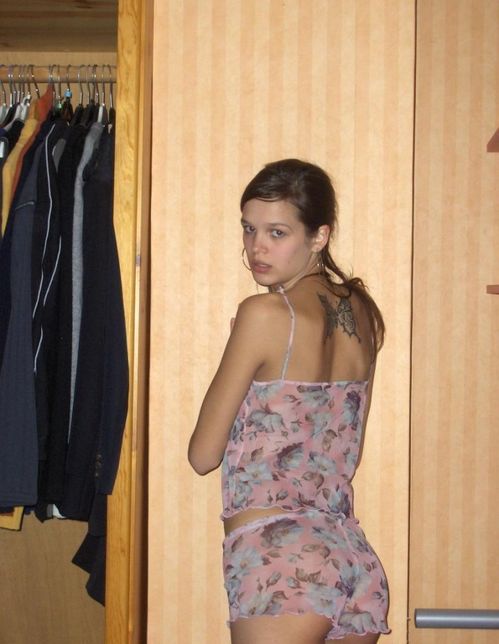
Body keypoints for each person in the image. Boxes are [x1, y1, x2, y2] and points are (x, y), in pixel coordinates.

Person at [188, 159, 390, 644]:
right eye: (249, 228)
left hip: (281, 562)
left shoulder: (263, 314)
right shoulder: (363, 315)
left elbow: (202, 455)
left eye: (277, 232)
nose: (257, 247)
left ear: (319, 236)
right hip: (352, 559)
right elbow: (344, 445)